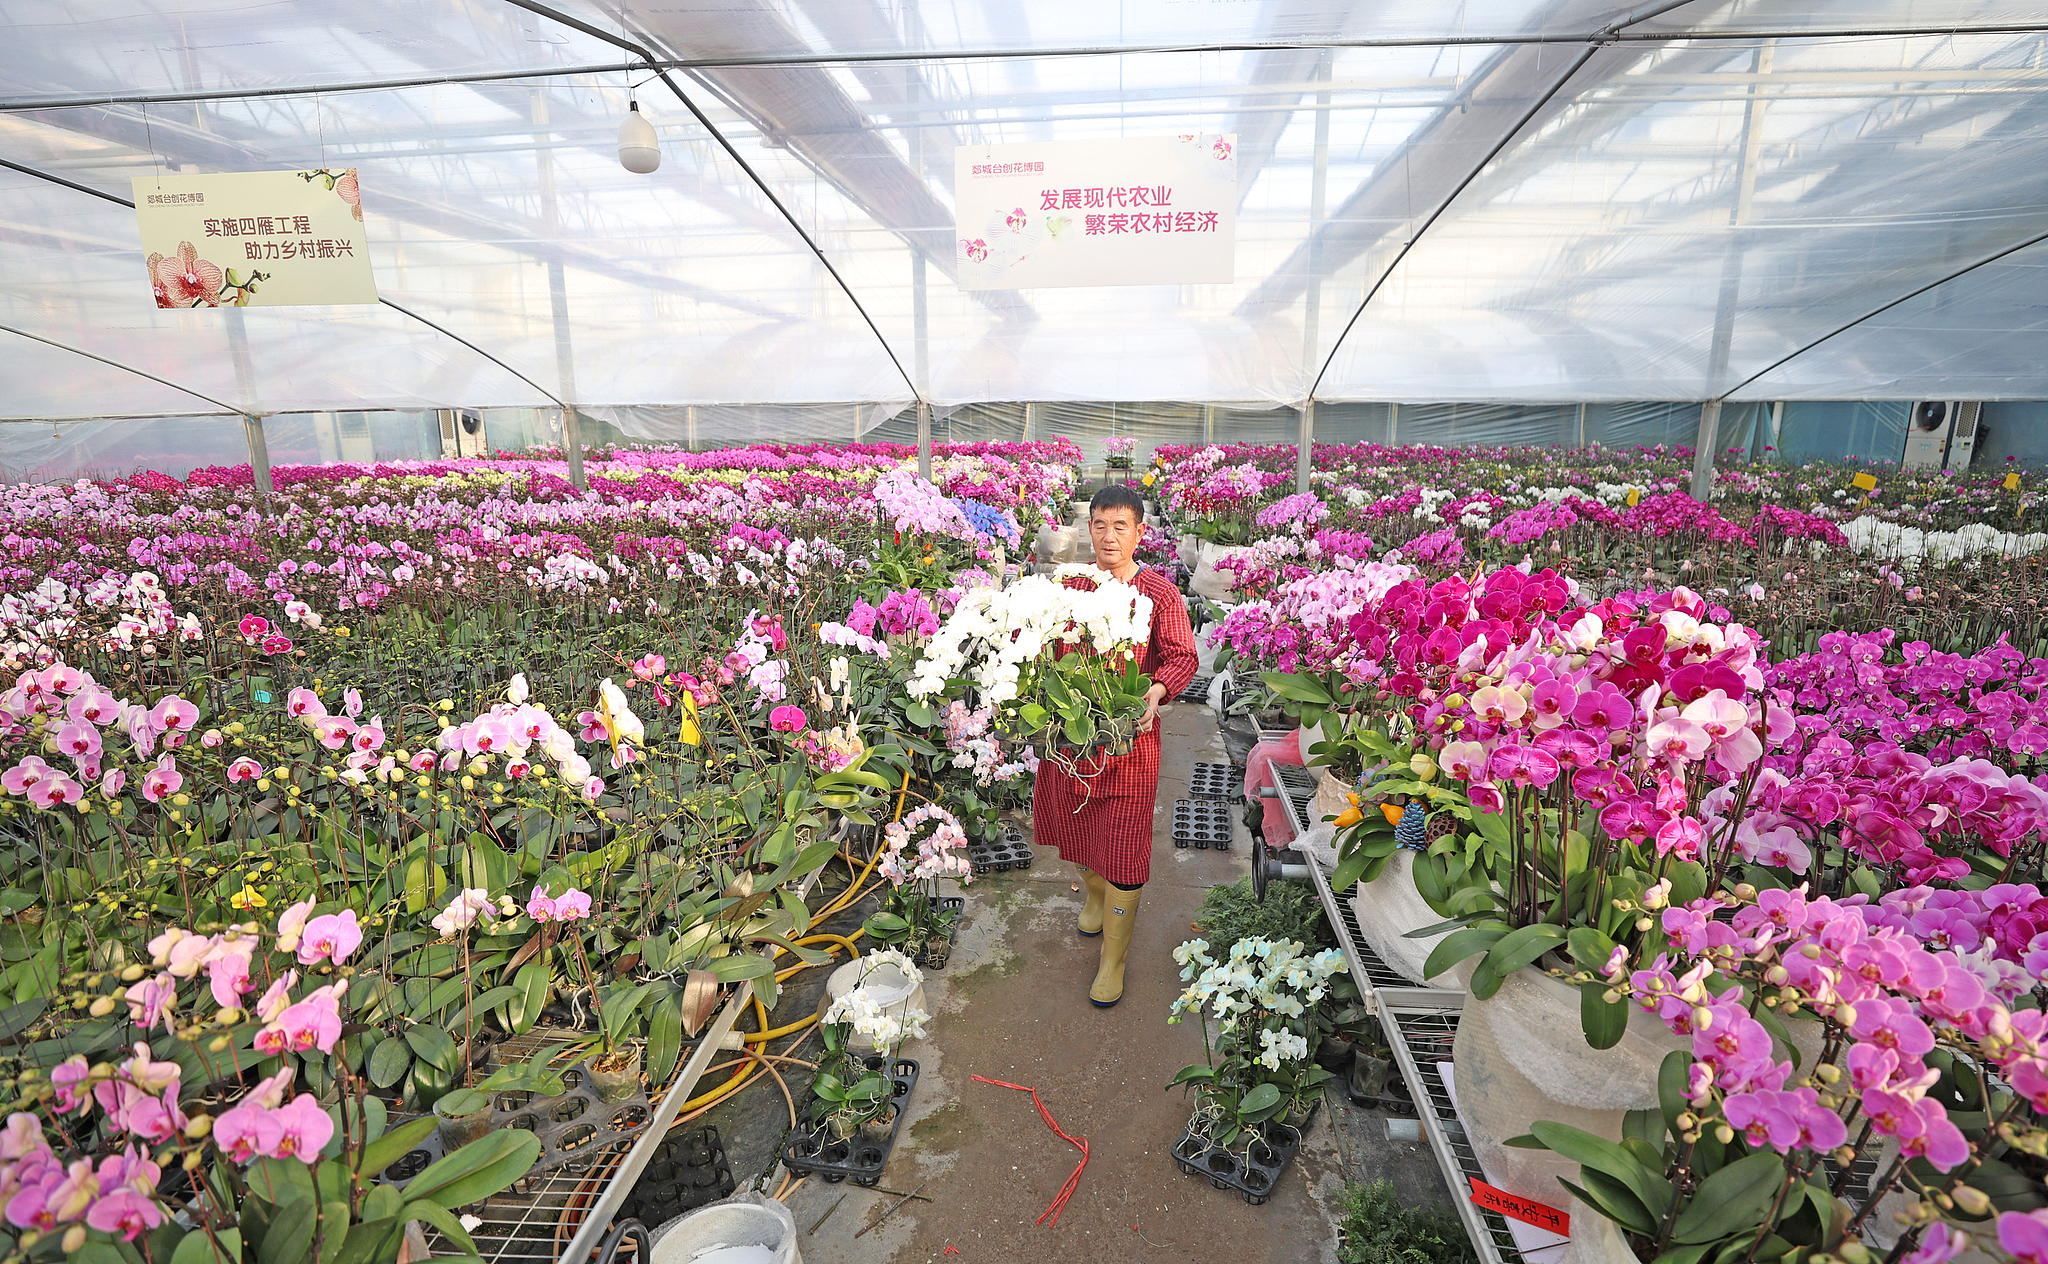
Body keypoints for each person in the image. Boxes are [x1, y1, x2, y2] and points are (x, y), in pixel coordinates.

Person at [1031, 484, 1198, 1007]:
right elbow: (1043, 640)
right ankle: (1096, 897)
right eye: (1099, 526)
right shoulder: (1071, 586)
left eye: (1119, 526)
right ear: (1088, 530)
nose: (1107, 536)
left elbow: (1184, 657)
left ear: (1139, 533)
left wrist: (1157, 687)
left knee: (1125, 843)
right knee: (1076, 823)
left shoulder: (1160, 593)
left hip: (1129, 742)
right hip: (1072, 739)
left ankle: (1113, 960)